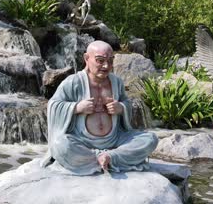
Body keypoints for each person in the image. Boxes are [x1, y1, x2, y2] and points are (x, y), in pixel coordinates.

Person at [41, 40, 158, 175]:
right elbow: (54, 104)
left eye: (110, 60)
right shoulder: (73, 82)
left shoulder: (117, 82)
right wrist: (77, 107)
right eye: (100, 60)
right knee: (59, 144)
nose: (106, 65)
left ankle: (110, 157)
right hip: (82, 141)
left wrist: (121, 107)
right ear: (86, 58)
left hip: (115, 139)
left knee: (150, 139)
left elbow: (126, 103)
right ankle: (102, 158)